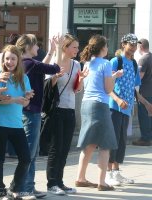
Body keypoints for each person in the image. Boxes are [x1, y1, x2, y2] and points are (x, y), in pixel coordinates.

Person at [15, 33, 62, 199]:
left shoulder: (26, 63)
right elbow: (55, 68)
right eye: (36, 45)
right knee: (29, 151)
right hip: (31, 112)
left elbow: (42, 66)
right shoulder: (30, 63)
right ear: (28, 47)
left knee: (31, 152)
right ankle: (24, 187)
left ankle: (28, 186)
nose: (38, 48)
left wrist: (51, 51)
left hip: (28, 111)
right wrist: (57, 51)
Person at [75, 34, 123, 191]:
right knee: (105, 144)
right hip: (99, 105)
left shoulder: (88, 63)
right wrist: (114, 78)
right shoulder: (106, 63)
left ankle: (80, 178)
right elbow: (108, 89)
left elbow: (90, 84)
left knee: (89, 144)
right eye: (107, 46)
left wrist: (113, 76)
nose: (108, 49)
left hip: (86, 104)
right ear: (103, 48)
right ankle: (102, 182)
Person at [45, 33, 88, 195]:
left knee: (64, 148)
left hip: (69, 110)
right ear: (65, 47)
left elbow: (76, 90)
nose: (78, 50)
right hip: (56, 109)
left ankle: (60, 182)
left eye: (78, 47)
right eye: (75, 47)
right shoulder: (56, 62)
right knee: (56, 147)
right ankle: (51, 183)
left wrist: (81, 79)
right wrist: (56, 76)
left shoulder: (77, 64)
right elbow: (48, 85)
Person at [0, 45, 34, 200]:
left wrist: (28, 97)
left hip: (17, 124)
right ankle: (0, 191)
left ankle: (13, 188)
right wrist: (15, 99)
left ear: (18, 60)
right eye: (7, 58)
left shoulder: (24, 78)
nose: (9, 61)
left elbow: (24, 104)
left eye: (13, 59)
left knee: (26, 159)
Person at [105, 33, 143, 186]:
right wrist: (118, 99)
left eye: (136, 44)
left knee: (122, 141)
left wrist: (144, 103)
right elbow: (106, 86)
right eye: (131, 44)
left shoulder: (134, 63)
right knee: (112, 139)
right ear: (123, 45)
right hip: (114, 107)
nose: (134, 47)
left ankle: (116, 172)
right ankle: (107, 174)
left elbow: (134, 88)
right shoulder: (115, 61)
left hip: (127, 109)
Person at [132, 38, 152, 146]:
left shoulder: (143, 60)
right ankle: (149, 137)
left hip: (144, 93)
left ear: (140, 47)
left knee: (144, 115)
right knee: (150, 115)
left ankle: (145, 138)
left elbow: (139, 78)